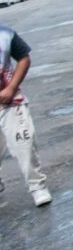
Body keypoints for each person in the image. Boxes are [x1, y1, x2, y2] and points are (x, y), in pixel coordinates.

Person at [0, 24, 52, 207]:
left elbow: (23, 58)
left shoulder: (5, 33)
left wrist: (11, 87)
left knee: (23, 144)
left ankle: (37, 186)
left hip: (9, 102)